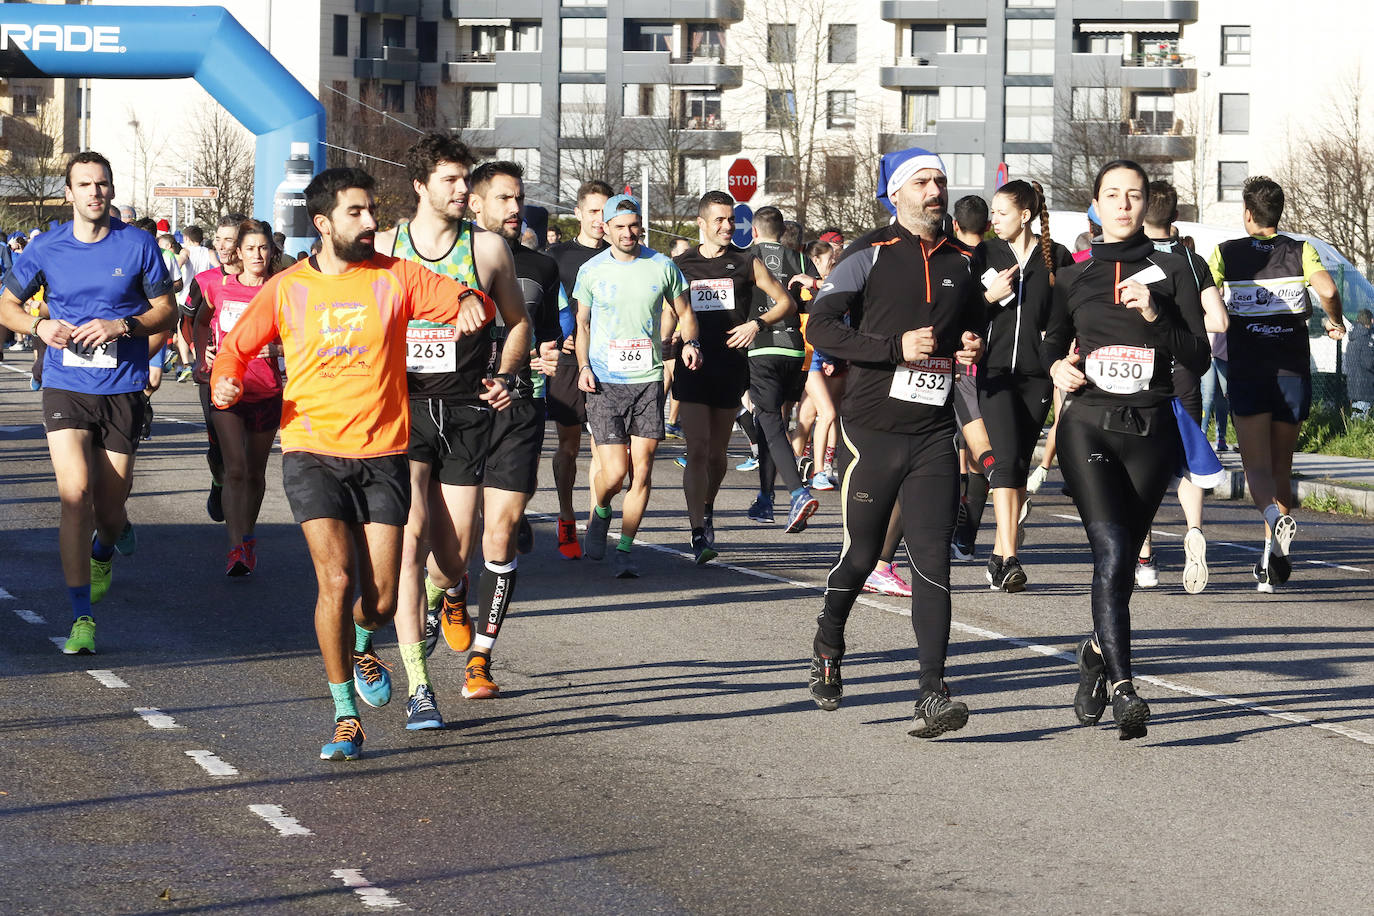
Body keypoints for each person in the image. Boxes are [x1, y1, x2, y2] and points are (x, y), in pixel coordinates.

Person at [211, 166, 496, 760]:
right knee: (335, 581)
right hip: (312, 450)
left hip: (384, 452)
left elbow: (463, 295)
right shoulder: (288, 288)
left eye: (371, 211)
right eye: (356, 213)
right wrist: (228, 381)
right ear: (323, 224)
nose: (370, 223)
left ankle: (366, 641)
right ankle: (344, 717)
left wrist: (471, 300)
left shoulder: (394, 277)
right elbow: (237, 347)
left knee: (385, 598)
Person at [805, 147, 984, 738]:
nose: (936, 190)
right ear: (895, 193)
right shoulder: (867, 254)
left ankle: (932, 693)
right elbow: (820, 326)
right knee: (861, 556)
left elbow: (970, 325)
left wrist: (971, 345)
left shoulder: (964, 259)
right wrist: (891, 348)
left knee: (932, 563)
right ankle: (830, 637)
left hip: (933, 434)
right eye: (923, 181)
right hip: (872, 433)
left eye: (941, 179)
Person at [1043, 159, 1209, 739]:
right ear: (1095, 204)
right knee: (1113, 552)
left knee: (1117, 567)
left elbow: (1199, 356)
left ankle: (1093, 653)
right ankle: (1124, 687)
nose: (1122, 205)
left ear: (1146, 204)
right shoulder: (1073, 275)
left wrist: (1156, 313)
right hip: (1088, 425)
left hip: (1151, 431)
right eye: (1111, 195)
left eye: (1133, 195)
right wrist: (1058, 367)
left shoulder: (1174, 270)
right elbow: (1050, 343)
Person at [371, 133, 526, 726]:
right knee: (409, 544)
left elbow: (517, 324)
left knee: (453, 558)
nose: (464, 190)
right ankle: (419, 687)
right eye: (451, 181)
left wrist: (506, 375)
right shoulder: (385, 247)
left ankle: (447, 596)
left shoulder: (486, 250)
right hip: (403, 409)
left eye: (466, 180)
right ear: (420, 186)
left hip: (464, 410)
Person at [0, 151, 176, 655]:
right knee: (74, 495)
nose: (95, 192)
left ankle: (106, 547)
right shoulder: (46, 247)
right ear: (70, 193)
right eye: (85, 184)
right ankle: (81, 617)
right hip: (65, 384)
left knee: (110, 509)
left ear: (112, 191)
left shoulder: (139, 244)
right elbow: (5, 303)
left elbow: (168, 308)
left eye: (102, 184)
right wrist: (39, 326)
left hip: (122, 385)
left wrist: (123, 325)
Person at [440, 158, 561, 701]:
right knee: (455, 544)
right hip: (456, 409)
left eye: (519, 199)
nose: (517, 209)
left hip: (520, 410)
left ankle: (481, 660)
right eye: (505, 199)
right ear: (478, 203)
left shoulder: (542, 266)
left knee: (501, 533)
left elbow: (547, 334)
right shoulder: (448, 258)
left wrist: (552, 355)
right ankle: (451, 591)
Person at [1208, 176, 1345, 593]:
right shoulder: (1300, 250)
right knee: (1281, 465)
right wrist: (1333, 318)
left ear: (1248, 214)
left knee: (1256, 467)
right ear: (1278, 213)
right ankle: (1273, 556)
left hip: (1249, 370)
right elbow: (1327, 288)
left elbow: (1205, 295)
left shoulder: (1226, 252)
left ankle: (1272, 525)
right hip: (1292, 371)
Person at [672, 191, 805, 562]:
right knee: (697, 449)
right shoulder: (681, 265)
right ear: (701, 223)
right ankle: (698, 532)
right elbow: (668, 314)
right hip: (694, 364)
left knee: (717, 455)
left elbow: (786, 302)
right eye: (719, 220)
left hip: (731, 367)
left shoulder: (746, 261)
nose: (728, 226)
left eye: (731, 219)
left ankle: (708, 506)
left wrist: (755, 324)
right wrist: (676, 342)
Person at [576, 194, 700, 577]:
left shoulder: (661, 266)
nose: (628, 233)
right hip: (604, 380)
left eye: (633, 226)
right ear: (606, 229)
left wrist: (691, 342)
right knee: (614, 473)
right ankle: (601, 512)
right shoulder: (592, 270)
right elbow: (582, 323)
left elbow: (685, 312)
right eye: (620, 226)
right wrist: (582, 366)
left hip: (647, 379)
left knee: (641, 470)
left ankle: (625, 549)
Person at [976, 180, 1073, 592]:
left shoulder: (1057, 257)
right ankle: (1012, 558)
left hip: (1037, 376)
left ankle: (999, 556)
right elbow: (963, 310)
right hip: (993, 373)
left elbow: (1065, 316)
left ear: (1025, 215)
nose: (993, 219)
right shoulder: (984, 253)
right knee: (1006, 461)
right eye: (992, 213)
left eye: (1001, 212)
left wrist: (1064, 354)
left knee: (1016, 466)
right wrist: (988, 297)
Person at [1134, 181, 1229, 593]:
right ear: (1175, 216)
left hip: (1144, 370)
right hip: (1187, 368)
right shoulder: (1194, 261)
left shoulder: (1132, 259)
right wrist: (1186, 327)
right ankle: (1194, 530)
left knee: (1141, 463)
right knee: (1189, 458)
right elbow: (1221, 322)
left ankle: (1147, 558)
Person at [193, 220, 284, 576]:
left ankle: (247, 535)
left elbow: (301, 334)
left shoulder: (281, 289)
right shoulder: (220, 289)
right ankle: (235, 548)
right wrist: (205, 356)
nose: (257, 255)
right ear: (239, 253)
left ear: (271, 251)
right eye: (250, 248)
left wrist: (276, 347)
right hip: (227, 387)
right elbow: (200, 323)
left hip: (266, 390)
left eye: (263, 248)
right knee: (235, 469)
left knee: (255, 473)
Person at [546, 180, 612, 560]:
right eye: (593, 211)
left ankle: (596, 521)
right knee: (569, 447)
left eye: (606, 211)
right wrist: (559, 337)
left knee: (607, 452)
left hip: (609, 361)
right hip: (569, 361)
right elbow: (543, 306)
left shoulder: (621, 254)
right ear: (578, 214)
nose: (600, 219)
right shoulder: (557, 256)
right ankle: (567, 515)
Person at [744, 205, 817, 531]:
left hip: (761, 348)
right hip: (794, 352)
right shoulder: (800, 259)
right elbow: (817, 299)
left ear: (755, 231)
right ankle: (765, 498)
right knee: (773, 424)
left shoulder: (747, 257)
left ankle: (797, 493)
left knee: (770, 424)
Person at [183, 213, 249, 524]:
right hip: (213, 372)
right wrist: (199, 354)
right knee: (219, 447)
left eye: (229, 240)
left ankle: (243, 514)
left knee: (246, 447)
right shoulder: (205, 280)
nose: (222, 246)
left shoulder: (264, 278)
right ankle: (219, 481)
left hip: (254, 373)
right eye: (218, 239)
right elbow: (187, 321)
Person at [1347, 309, 1374, 418]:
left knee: (1357, 415)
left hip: (1353, 384)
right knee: (1361, 417)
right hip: (1365, 386)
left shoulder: (1354, 337)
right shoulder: (1365, 340)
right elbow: (1369, 363)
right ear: (1371, 321)